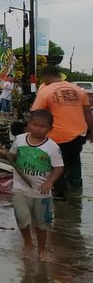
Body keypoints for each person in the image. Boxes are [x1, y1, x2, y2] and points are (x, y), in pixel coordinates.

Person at [0, 110, 64, 261]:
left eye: (42, 126)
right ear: (28, 125)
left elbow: (59, 167)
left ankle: (42, 249)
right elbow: (13, 156)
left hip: (41, 191)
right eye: (35, 125)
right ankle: (28, 244)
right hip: (20, 188)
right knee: (21, 218)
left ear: (50, 129)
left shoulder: (52, 147)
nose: (38, 128)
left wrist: (50, 182)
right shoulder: (20, 140)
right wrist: (5, 153)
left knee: (41, 223)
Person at [31, 65, 93, 200]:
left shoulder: (46, 91)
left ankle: (59, 194)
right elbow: (88, 113)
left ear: (46, 77)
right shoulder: (79, 90)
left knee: (56, 166)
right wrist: (92, 131)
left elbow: (37, 114)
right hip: (79, 135)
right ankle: (71, 188)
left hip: (56, 136)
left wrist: (30, 132)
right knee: (68, 164)